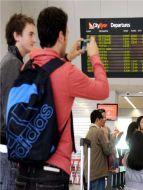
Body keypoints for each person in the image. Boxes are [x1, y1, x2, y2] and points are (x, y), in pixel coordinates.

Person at [14, 7, 109, 190]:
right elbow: (103, 89)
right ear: (61, 35)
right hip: (52, 173)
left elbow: (50, 71)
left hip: (24, 171)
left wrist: (68, 57)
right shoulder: (68, 73)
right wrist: (94, 56)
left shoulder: (28, 64)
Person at [0, 13, 36, 190]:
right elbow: (12, 114)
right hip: (7, 151)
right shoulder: (12, 64)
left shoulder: (15, 63)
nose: (34, 39)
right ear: (16, 36)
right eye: (30, 34)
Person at [84, 110, 116, 190]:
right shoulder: (99, 131)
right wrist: (113, 138)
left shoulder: (89, 132)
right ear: (97, 119)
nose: (105, 120)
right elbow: (107, 150)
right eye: (103, 118)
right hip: (98, 174)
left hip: (90, 173)